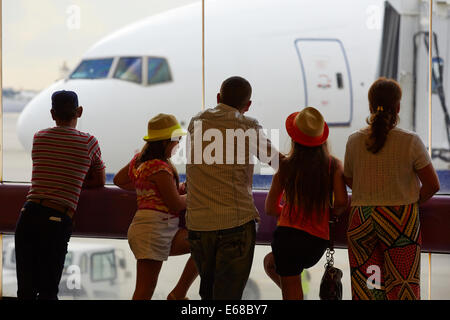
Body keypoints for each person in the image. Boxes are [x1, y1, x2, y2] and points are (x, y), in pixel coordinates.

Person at [344, 77, 440, 300]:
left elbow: (350, 179)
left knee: (369, 286)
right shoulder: (410, 141)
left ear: (370, 106)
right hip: (400, 221)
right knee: (402, 285)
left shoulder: (354, 141)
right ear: (398, 107)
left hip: (362, 220)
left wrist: (369, 193)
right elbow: (433, 185)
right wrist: (408, 200)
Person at [186, 76, 279, 300]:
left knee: (207, 294)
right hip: (234, 225)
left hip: (198, 226)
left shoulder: (196, 122)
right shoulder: (247, 126)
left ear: (218, 98)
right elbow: (277, 162)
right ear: (247, 106)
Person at [14, 90, 106, 300]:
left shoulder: (39, 138)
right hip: (56, 219)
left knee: (25, 291)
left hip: (27, 215)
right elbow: (99, 180)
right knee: (48, 291)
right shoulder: (89, 142)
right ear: (79, 112)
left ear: (52, 114)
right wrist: (74, 182)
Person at [265, 106, 348, 300]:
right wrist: (330, 214)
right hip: (316, 242)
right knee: (271, 263)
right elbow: (342, 201)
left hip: (287, 237)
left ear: (294, 138)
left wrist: (285, 212)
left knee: (289, 285)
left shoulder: (285, 166)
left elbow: (270, 208)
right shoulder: (333, 165)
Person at [113, 113, 198, 300]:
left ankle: (178, 293)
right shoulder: (160, 168)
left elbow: (119, 180)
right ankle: (178, 293)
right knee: (144, 292)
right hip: (154, 230)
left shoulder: (142, 161)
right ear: (165, 142)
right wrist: (196, 195)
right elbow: (175, 203)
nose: (179, 143)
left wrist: (146, 188)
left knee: (205, 245)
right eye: (177, 140)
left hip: (154, 229)